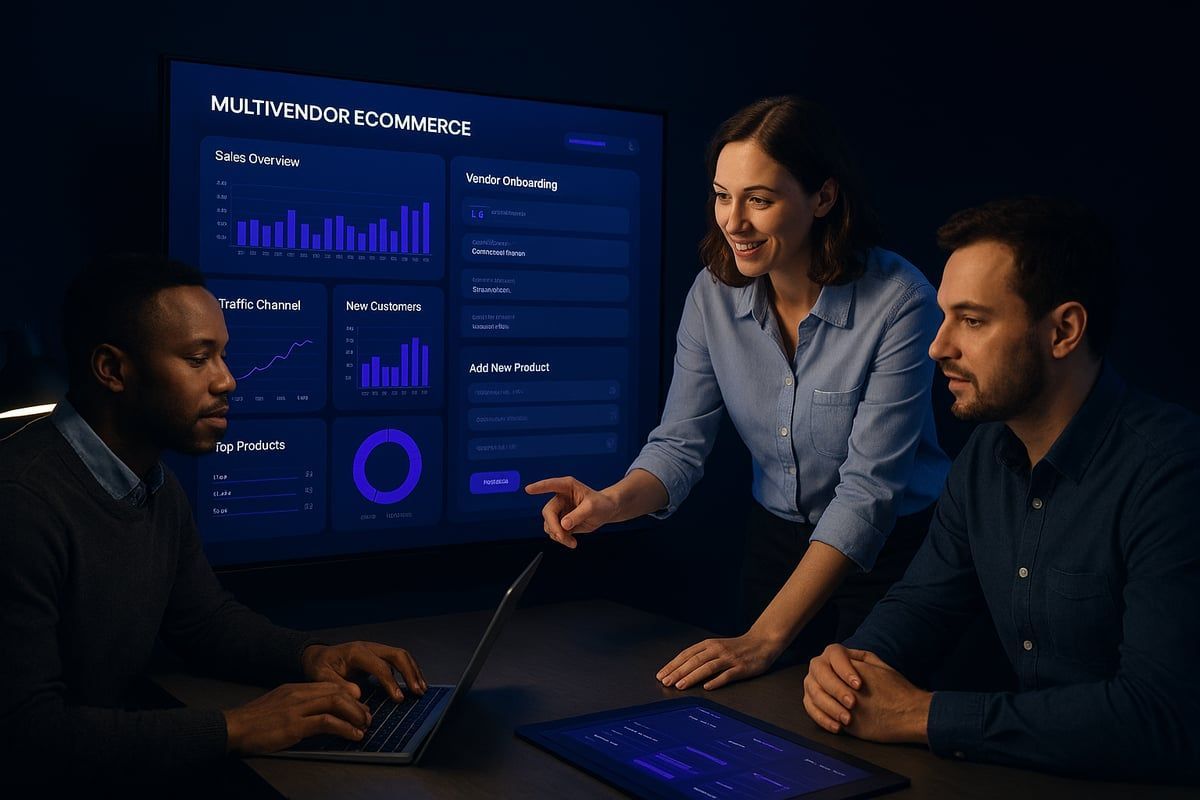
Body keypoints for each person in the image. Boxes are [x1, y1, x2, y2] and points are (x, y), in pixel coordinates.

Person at [527, 96, 950, 691]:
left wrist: (765, 638)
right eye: (723, 195)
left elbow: (869, 492)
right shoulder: (711, 295)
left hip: (893, 558)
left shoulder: (901, 300)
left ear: (823, 198)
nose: (733, 221)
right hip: (775, 546)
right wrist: (612, 503)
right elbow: (679, 444)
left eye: (760, 199)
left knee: (859, 729)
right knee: (770, 726)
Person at [803, 197, 1200, 782]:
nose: (939, 346)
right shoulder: (985, 457)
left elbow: (1160, 718)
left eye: (972, 320)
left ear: (1063, 330)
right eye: (944, 317)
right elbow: (923, 603)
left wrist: (923, 716)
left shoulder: (1173, 473)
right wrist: (852, 668)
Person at [0, 254, 428, 789]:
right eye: (199, 359)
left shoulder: (153, 484)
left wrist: (313, 656)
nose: (227, 381)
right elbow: (26, 734)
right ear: (112, 369)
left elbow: (203, 621)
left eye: (222, 356)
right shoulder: (20, 503)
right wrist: (237, 728)